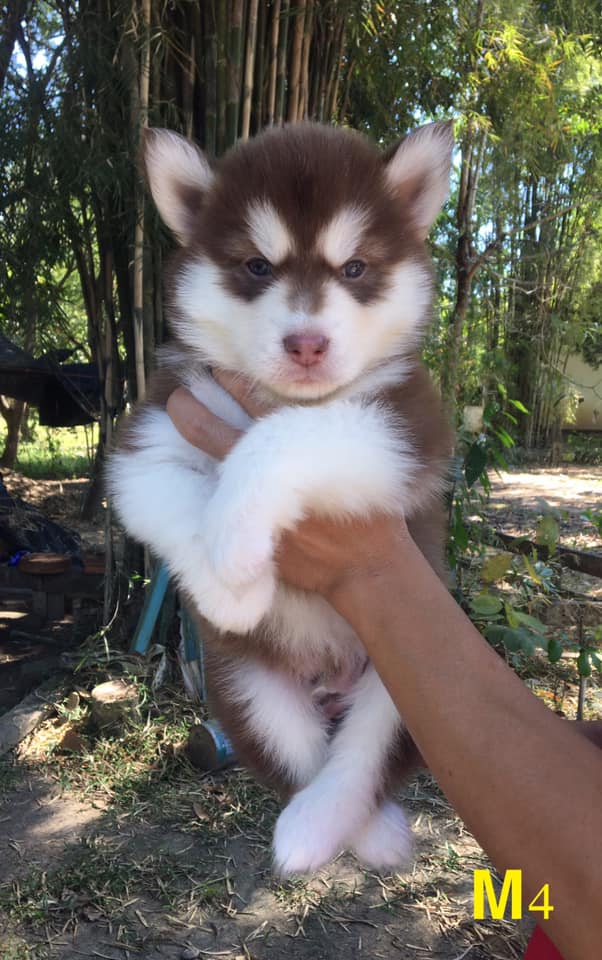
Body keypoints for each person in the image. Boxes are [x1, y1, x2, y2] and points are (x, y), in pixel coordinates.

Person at [166, 373, 602, 960]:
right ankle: (494, 894)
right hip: (553, 898)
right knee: (524, 900)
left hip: (570, 892)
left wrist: (366, 565)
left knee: (523, 898)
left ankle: (374, 808)